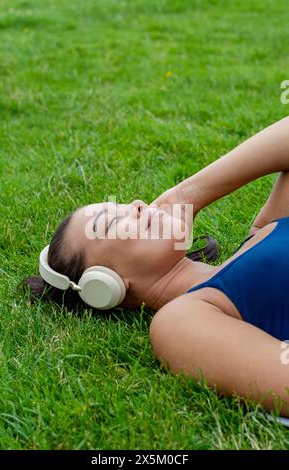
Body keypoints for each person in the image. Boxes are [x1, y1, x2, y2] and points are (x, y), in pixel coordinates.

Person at [24, 116, 289, 418]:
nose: (137, 204)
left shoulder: (263, 230)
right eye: (111, 222)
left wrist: (189, 194)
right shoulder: (180, 322)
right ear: (104, 285)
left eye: (125, 204)